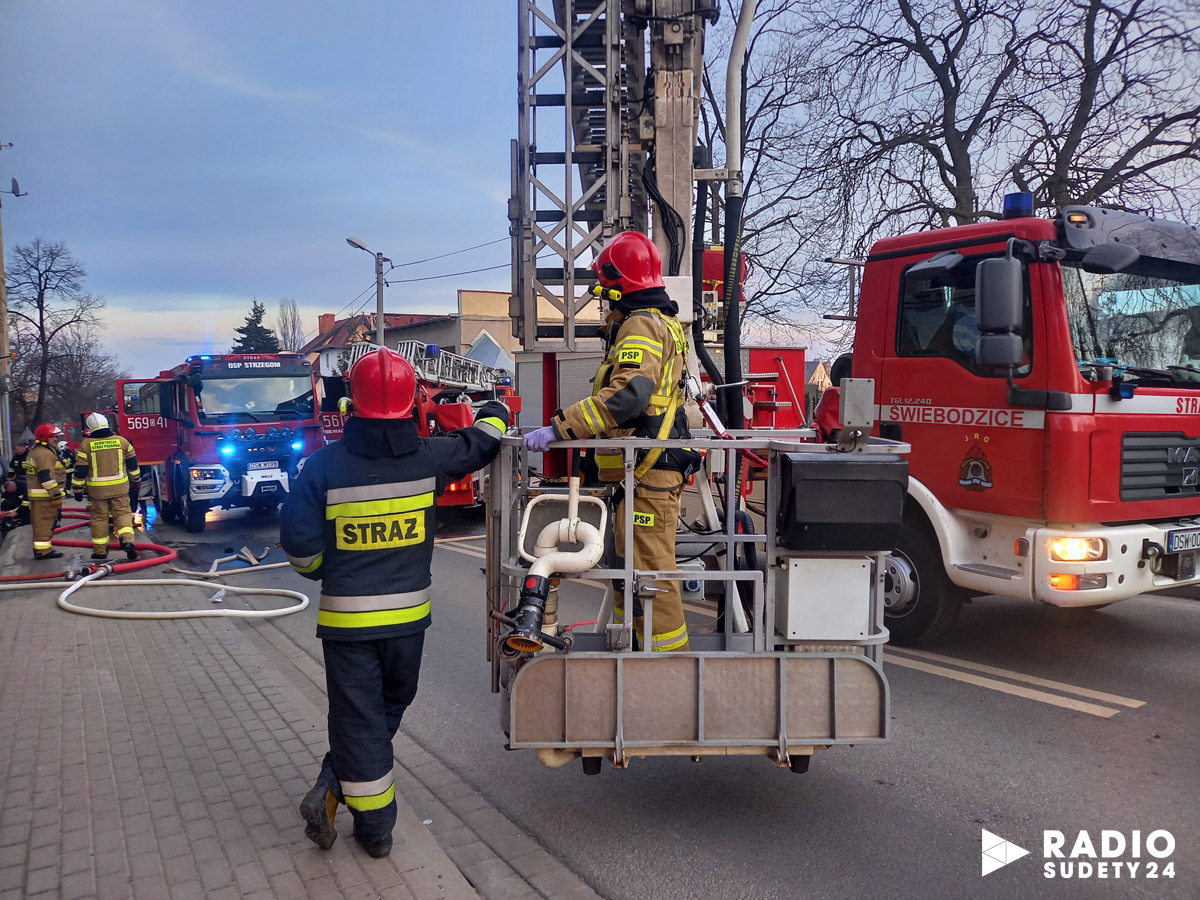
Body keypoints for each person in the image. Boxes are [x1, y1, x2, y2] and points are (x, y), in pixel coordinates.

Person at [281, 347, 509, 859]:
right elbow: (481, 443)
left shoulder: (320, 467)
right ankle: (371, 824)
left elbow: (299, 547)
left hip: (346, 623)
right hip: (408, 622)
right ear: (410, 402)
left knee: (358, 716)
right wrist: (495, 408)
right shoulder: (429, 457)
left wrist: (325, 571)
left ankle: (348, 802)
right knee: (385, 708)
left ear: (351, 402)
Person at [523, 229, 697, 652]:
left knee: (651, 575)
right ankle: (632, 652)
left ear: (619, 284)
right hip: (640, 475)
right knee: (629, 574)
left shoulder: (640, 324)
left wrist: (560, 428)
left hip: (649, 472)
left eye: (604, 287)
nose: (602, 300)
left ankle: (669, 669)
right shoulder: (661, 321)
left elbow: (628, 396)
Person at [72, 412, 141, 561]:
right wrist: (136, 479)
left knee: (99, 519)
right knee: (123, 515)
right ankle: (128, 542)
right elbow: (133, 465)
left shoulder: (86, 445)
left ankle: (100, 551)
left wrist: (77, 490)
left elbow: (80, 470)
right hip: (120, 489)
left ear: (90, 428)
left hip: (97, 492)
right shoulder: (122, 441)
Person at [25, 425, 66, 560]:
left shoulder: (36, 451)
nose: (56, 439)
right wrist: (55, 495)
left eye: (56, 436)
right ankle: (43, 551)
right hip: (45, 497)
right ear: (43, 437)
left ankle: (42, 550)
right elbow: (45, 477)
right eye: (52, 436)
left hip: (39, 497)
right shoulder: (45, 454)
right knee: (44, 524)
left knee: (40, 524)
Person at [6, 440, 31, 527]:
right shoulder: (16, 457)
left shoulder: (30, 456)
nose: (16, 451)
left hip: (28, 480)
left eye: (17, 449)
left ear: (23, 448)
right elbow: (11, 468)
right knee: (16, 498)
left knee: (26, 499)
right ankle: (17, 515)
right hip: (18, 480)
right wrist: (9, 476)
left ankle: (26, 518)